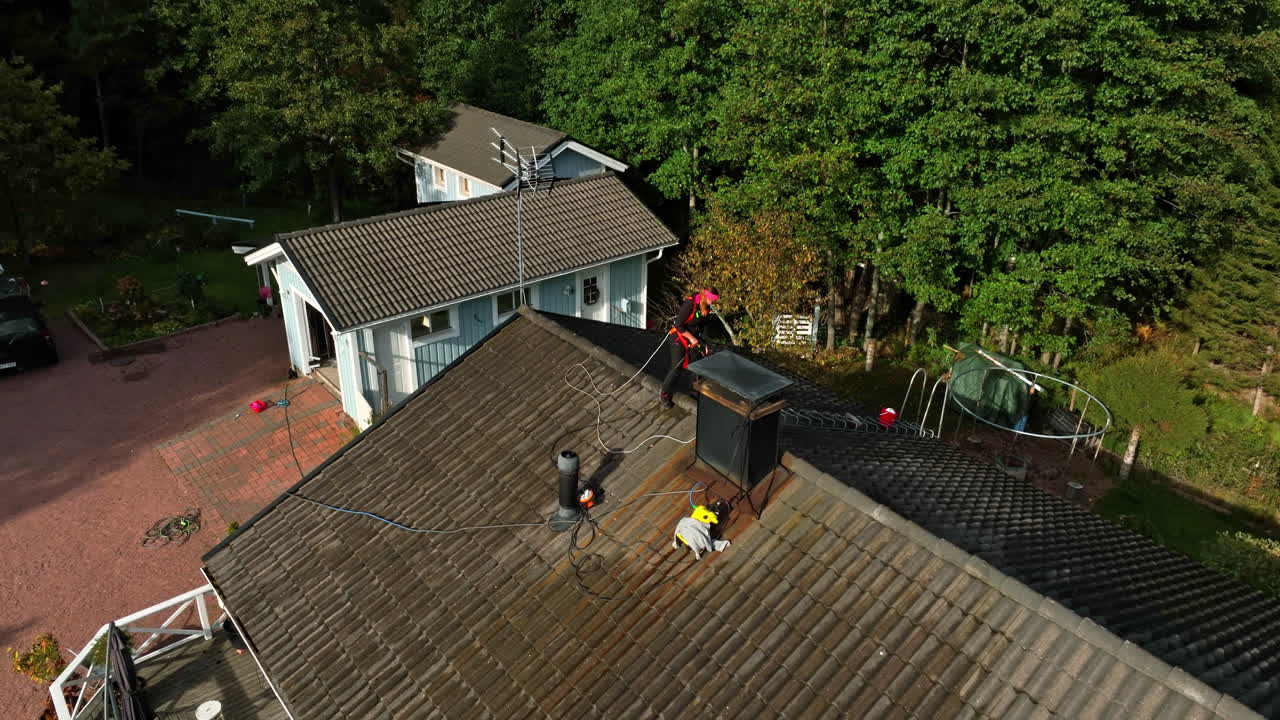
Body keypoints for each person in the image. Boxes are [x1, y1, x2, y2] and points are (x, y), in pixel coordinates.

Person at [659, 287, 719, 408]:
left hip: (694, 338)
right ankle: (665, 394)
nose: (711, 303)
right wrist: (691, 338)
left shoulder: (705, 306)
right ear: (705, 296)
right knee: (677, 366)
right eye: (711, 300)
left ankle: (694, 392)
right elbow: (678, 325)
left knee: (697, 363)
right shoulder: (690, 304)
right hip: (679, 337)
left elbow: (704, 325)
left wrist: (705, 343)